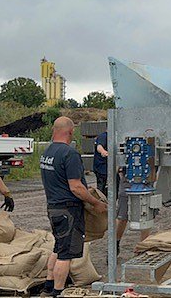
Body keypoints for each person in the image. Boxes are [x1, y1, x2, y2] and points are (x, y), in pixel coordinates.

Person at [40, 117, 107, 297]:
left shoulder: (47, 152)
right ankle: (58, 292)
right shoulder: (69, 154)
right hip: (68, 210)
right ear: (70, 132)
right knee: (66, 254)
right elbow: (76, 187)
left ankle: (48, 286)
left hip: (53, 207)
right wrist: (96, 203)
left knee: (59, 247)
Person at [93, 131, 108, 196]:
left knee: (116, 184)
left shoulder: (113, 136)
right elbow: (99, 147)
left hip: (107, 167)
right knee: (101, 187)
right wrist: (103, 152)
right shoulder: (103, 136)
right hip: (101, 167)